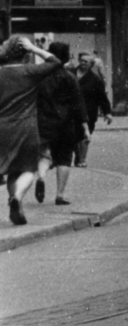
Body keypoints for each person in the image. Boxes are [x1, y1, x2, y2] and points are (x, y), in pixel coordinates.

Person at [0, 36, 64, 226]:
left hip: (1, 127)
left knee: (12, 169)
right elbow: (56, 62)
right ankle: (17, 198)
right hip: (26, 126)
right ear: (25, 53)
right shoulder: (30, 71)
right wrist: (35, 48)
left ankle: (16, 205)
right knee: (28, 167)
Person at [35, 41, 87, 208]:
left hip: (43, 122)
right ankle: (60, 195)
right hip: (65, 124)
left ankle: (41, 177)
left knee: (44, 154)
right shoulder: (69, 77)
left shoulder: (39, 76)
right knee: (64, 158)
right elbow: (78, 103)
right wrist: (85, 127)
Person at [73, 53, 112, 166]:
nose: (83, 63)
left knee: (85, 135)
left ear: (91, 64)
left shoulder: (94, 79)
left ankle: (82, 160)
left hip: (89, 111)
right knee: (73, 136)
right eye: (82, 60)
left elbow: (102, 97)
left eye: (86, 61)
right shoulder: (70, 74)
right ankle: (78, 155)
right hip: (72, 111)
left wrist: (107, 112)